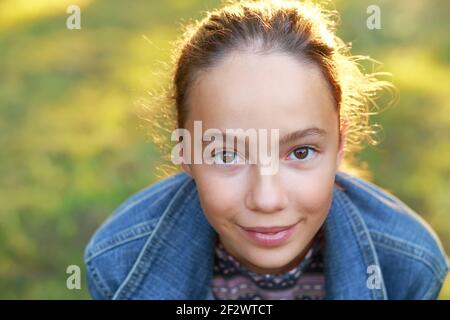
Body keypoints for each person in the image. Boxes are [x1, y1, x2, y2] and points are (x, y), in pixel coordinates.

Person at [84, 0, 449, 299]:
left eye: (301, 152)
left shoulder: (406, 266)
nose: (267, 199)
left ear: (340, 145)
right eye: (226, 155)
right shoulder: (119, 262)